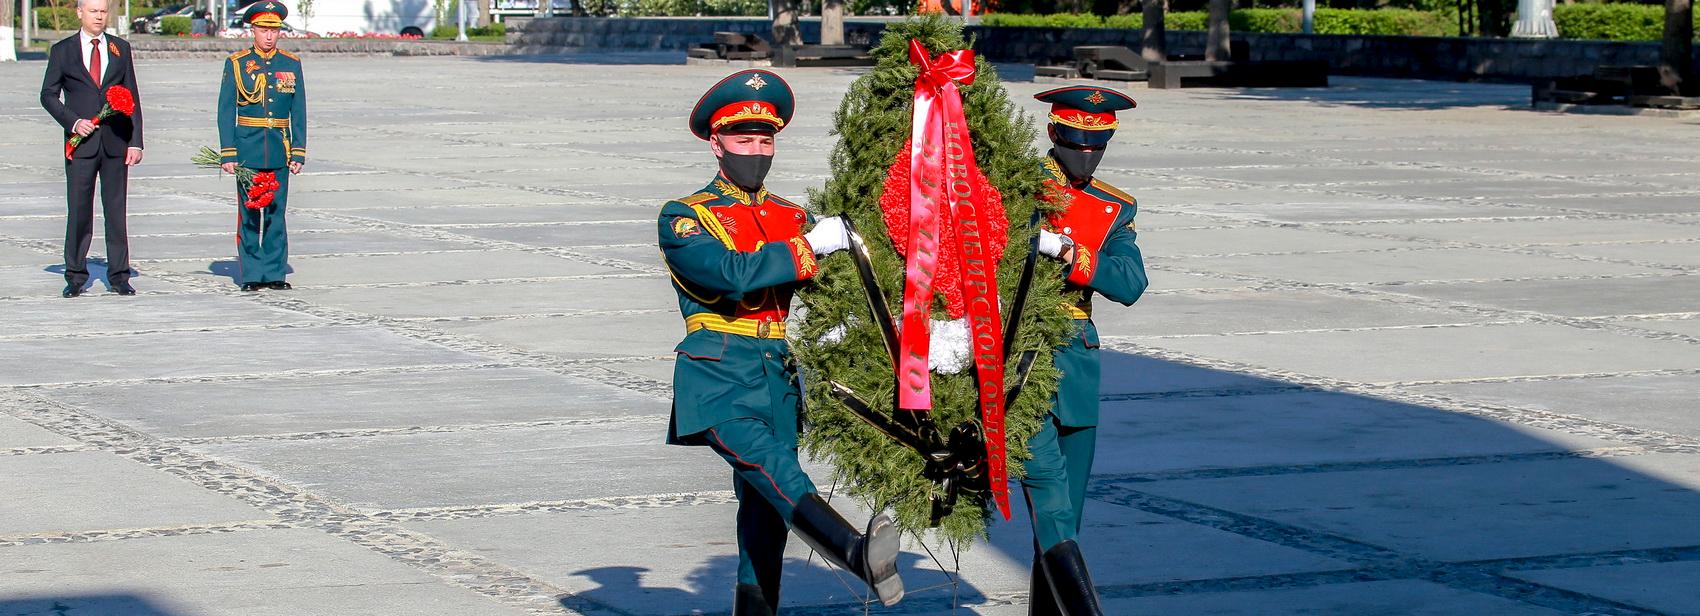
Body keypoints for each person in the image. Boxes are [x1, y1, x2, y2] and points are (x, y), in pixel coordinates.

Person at [658, 69, 904, 615]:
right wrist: (808, 247)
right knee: (777, 470)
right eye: (743, 140)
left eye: (765, 140)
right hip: (718, 372)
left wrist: (845, 316)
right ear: (716, 143)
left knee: (766, 517)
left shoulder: (791, 216)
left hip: (778, 375)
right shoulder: (685, 216)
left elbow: (842, 285)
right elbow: (728, 273)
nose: (756, 151)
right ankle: (857, 553)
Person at [1024, 85, 1149, 615]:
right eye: (1077, 143)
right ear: (1054, 134)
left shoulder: (1115, 207)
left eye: (1098, 145)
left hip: (1077, 365)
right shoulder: (1017, 187)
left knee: (1066, 520)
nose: (1088, 155)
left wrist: (1074, 257)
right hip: (1020, 362)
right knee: (1050, 503)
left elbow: (1129, 282)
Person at [39, 0, 144, 298]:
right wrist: (72, 123)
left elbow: (131, 95)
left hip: (115, 143)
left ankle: (120, 276)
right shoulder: (63, 51)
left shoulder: (120, 48)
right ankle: (75, 275)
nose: (99, 17)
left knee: (116, 212)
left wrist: (135, 141)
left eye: (103, 11)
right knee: (80, 211)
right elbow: (48, 95)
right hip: (81, 145)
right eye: (93, 11)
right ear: (79, 13)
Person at [217, 1, 305, 292]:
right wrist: (228, 152)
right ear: (252, 30)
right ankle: (253, 273)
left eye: (274, 30)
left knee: (276, 214)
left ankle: (275, 272)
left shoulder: (291, 64)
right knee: (250, 212)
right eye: (263, 30)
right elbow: (226, 110)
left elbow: (299, 110)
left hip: (279, 148)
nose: (269, 36)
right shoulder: (238, 63)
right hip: (248, 149)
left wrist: (299, 150)